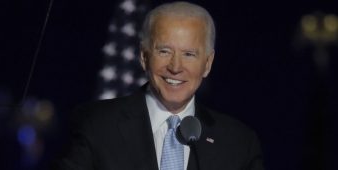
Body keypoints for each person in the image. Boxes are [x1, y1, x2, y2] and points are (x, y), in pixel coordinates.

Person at [52, 1, 264, 170]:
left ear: (207, 64)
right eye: (164, 51)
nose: (175, 67)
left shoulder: (239, 143)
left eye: (189, 54)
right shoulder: (96, 125)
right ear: (144, 57)